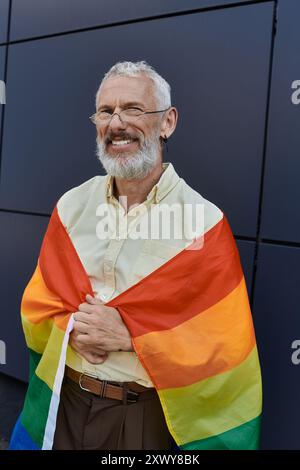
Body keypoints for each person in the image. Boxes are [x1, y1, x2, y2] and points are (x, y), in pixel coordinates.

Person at [9, 60, 262, 451]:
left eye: (134, 109)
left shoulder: (204, 223)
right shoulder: (71, 206)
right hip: (65, 404)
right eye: (106, 111)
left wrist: (131, 337)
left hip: (143, 418)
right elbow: (38, 306)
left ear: (168, 123)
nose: (117, 123)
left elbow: (221, 345)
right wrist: (75, 329)